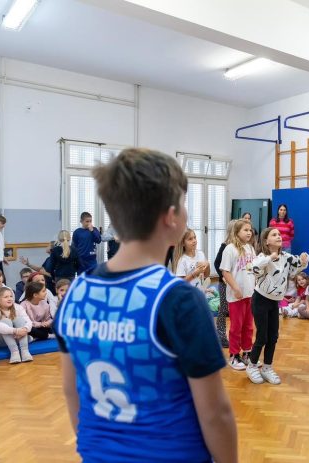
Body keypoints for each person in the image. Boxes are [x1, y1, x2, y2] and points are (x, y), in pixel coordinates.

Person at [55, 148, 237, 463]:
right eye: (183, 203)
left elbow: (72, 392)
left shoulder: (75, 293)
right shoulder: (178, 300)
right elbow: (215, 413)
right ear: (171, 217)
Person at [247, 227, 309, 384]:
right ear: (267, 242)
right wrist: (270, 258)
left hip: (274, 302)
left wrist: (303, 260)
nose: (279, 236)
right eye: (274, 235)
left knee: (273, 336)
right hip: (260, 300)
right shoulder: (262, 257)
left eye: (279, 234)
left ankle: (267, 367)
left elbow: (297, 268)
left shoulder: (286, 257)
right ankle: (252, 365)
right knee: (262, 335)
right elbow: (253, 268)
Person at [220, 219, 256, 370]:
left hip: (250, 294)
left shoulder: (250, 248)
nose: (249, 232)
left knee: (249, 326)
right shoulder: (230, 249)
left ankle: (247, 353)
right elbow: (225, 272)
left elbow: (254, 269)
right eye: (245, 230)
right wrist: (235, 288)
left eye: (250, 230)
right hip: (236, 296)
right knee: (237, 326)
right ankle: (234, 355)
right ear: (236, 232)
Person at [0, 287, 33, 364]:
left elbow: (28, 321)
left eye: (11, 296)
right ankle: (14, 352)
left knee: (19, 319)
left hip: (16, 336)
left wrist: (25, 329)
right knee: (5, 321)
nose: (10, 299)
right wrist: (15, 331)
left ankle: (25, 351)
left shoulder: (18, 307)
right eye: (6, 297)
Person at [214, 220, 236, 348]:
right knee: (223, 309)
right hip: (224, 284)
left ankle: (234, 334)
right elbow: (217, 263)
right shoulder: (225, 245)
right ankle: (221, 335)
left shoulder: (241, 247)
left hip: (236, 284)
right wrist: (223, 277)